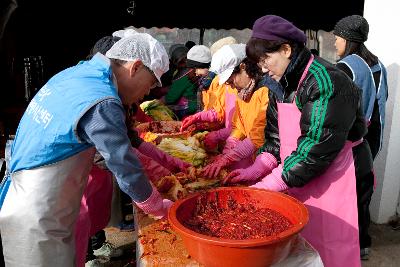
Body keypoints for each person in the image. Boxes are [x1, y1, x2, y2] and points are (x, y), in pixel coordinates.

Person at [0, 33, 174, 267]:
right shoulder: (103, 99)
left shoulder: (77, 75)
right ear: (136, 67)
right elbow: (123, 163)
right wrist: (154, 205)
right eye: (151, 83)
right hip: (38, 214)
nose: (146, 93)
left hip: (34, 201)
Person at [237, 15, 373, 267]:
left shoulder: (327, 81)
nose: (264, 68)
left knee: (329, 248)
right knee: (299, 245)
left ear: (286, 49)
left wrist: (268, 185)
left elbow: (314, 149)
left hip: (334, 174)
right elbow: (275, 139)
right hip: (297, 173)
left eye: (266, 59)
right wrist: (257, 168)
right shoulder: (279, 84)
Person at [333, 14, 388, 260]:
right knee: (363, 194)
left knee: (347, 195)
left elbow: (338, 110)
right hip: (372, 137)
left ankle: (346, 245)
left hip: (352, 140)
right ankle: (363, 244)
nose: (335, 42)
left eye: (337, 37)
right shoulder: (378, 65)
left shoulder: (346, 67)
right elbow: (381, 101)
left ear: (348, 39)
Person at [201, 44, 269, 178]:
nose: (231, 86)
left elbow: (258, 136)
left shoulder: (265, 91)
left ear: (243, 67)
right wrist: (231, 144)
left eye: (231, 80)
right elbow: (239, 126)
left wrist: (229, 157)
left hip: (268, 160)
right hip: (255, 158)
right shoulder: (243, 93)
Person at [164, 45, 212, 119]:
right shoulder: (200, 74)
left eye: (186, 61)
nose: (184, 65)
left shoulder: (185, 76)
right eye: (181, 62)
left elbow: (170, 98)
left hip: (189, 108)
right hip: (198, 107)